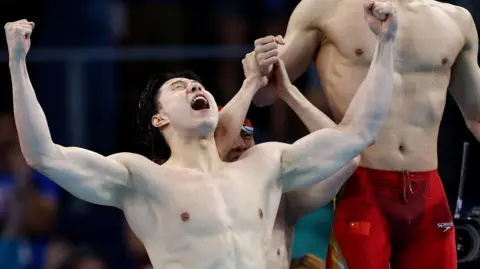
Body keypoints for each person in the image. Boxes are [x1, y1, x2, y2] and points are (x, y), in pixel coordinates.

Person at [5, 4, 396, 268]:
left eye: (199, 87)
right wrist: (18, 63)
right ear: (159, 119)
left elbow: (358, 134)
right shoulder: (142, 180)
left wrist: (386, 43)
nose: (195, 89)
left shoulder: (266, 164)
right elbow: (44, 155)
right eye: (179, 87)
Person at [252, 0, 480, 268]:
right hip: (362, 189)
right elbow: (264, 94)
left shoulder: (456, 19)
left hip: (429, 194)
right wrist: (261, 64)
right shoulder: (323, 9)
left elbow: (476, 114)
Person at [217, 105, 359, 269]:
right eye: (229, 136)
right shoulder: (192, 203)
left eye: (246, 135)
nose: (240, 145)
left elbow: (349, 156)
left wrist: (288, 93)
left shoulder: (281, 199)